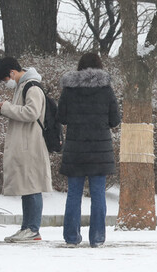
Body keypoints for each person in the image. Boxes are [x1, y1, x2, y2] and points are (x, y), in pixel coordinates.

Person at [57, 53, 120, 248]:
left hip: (75, 149)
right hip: (99, 150)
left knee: (73, 194)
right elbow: (115, 120)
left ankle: (71, 237)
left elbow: (62, 117)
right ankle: (98, 237)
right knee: (98, 194)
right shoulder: (106, 90)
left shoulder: (69, 90)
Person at [0, 57, 53, 242]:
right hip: (27, 143)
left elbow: (32, 112)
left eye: (5, 79)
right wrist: (6, 108)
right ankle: (27, 227)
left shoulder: (31, 87)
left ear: (12, 72)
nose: (6, 83)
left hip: (31, 144)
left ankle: (33, 228)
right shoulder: (24, 86)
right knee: (27, 186)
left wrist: (7, 108)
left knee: (32, 186)